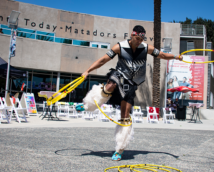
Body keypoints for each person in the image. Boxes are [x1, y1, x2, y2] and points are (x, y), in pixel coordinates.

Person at [76, 25, 183, 161]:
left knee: (125, 115)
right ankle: (87, 105)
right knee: (111, 84)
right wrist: (87, 71)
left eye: (141, 39)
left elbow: (161, 55)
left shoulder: (146, 48)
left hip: (132, 83)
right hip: (119, 74)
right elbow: (103, 60)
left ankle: (119, 150)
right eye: (137, 38)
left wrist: (176, 56)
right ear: (132, 35)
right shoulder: (119, 47)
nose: (139, 41)